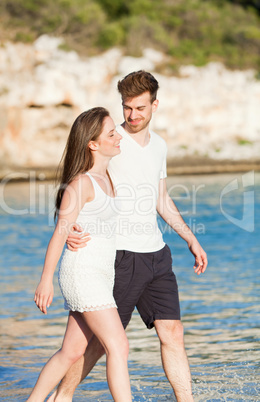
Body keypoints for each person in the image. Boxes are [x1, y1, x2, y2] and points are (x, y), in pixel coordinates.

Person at [48, 71, 208, 402]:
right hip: (120, 257)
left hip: (157, 255)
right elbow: (78, 183)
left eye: (139, 108)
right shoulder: (111, 141)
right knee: (97, 344)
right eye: (126, 108)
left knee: (173, 332)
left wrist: (190, 238)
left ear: (155, 105)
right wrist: (65, 232)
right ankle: (61, 397)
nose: (132, 116)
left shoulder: (159, 145)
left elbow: (160, 198)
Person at [27, 107, 132, 402]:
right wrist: (45, 280)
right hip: (82, 274)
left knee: (71, 351)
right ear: (93, 144)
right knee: (118, 345)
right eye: (111, 133)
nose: (118, 136)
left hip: (101, 274)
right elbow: (60, 233)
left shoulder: (108, 177)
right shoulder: (81, 183)